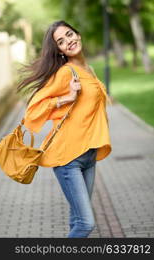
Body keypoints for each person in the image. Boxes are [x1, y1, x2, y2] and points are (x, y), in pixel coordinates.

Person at [17, 20, 112, 238]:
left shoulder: (88, 69)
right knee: (86, 224)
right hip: (68, 159)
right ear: (59, 50)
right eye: (61, 41)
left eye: (69, 35)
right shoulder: (65, 73)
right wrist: (66, 98)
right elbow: (32, 111)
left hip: (88, 154)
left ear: (78, 34)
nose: (68, 41)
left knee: (77, 220)